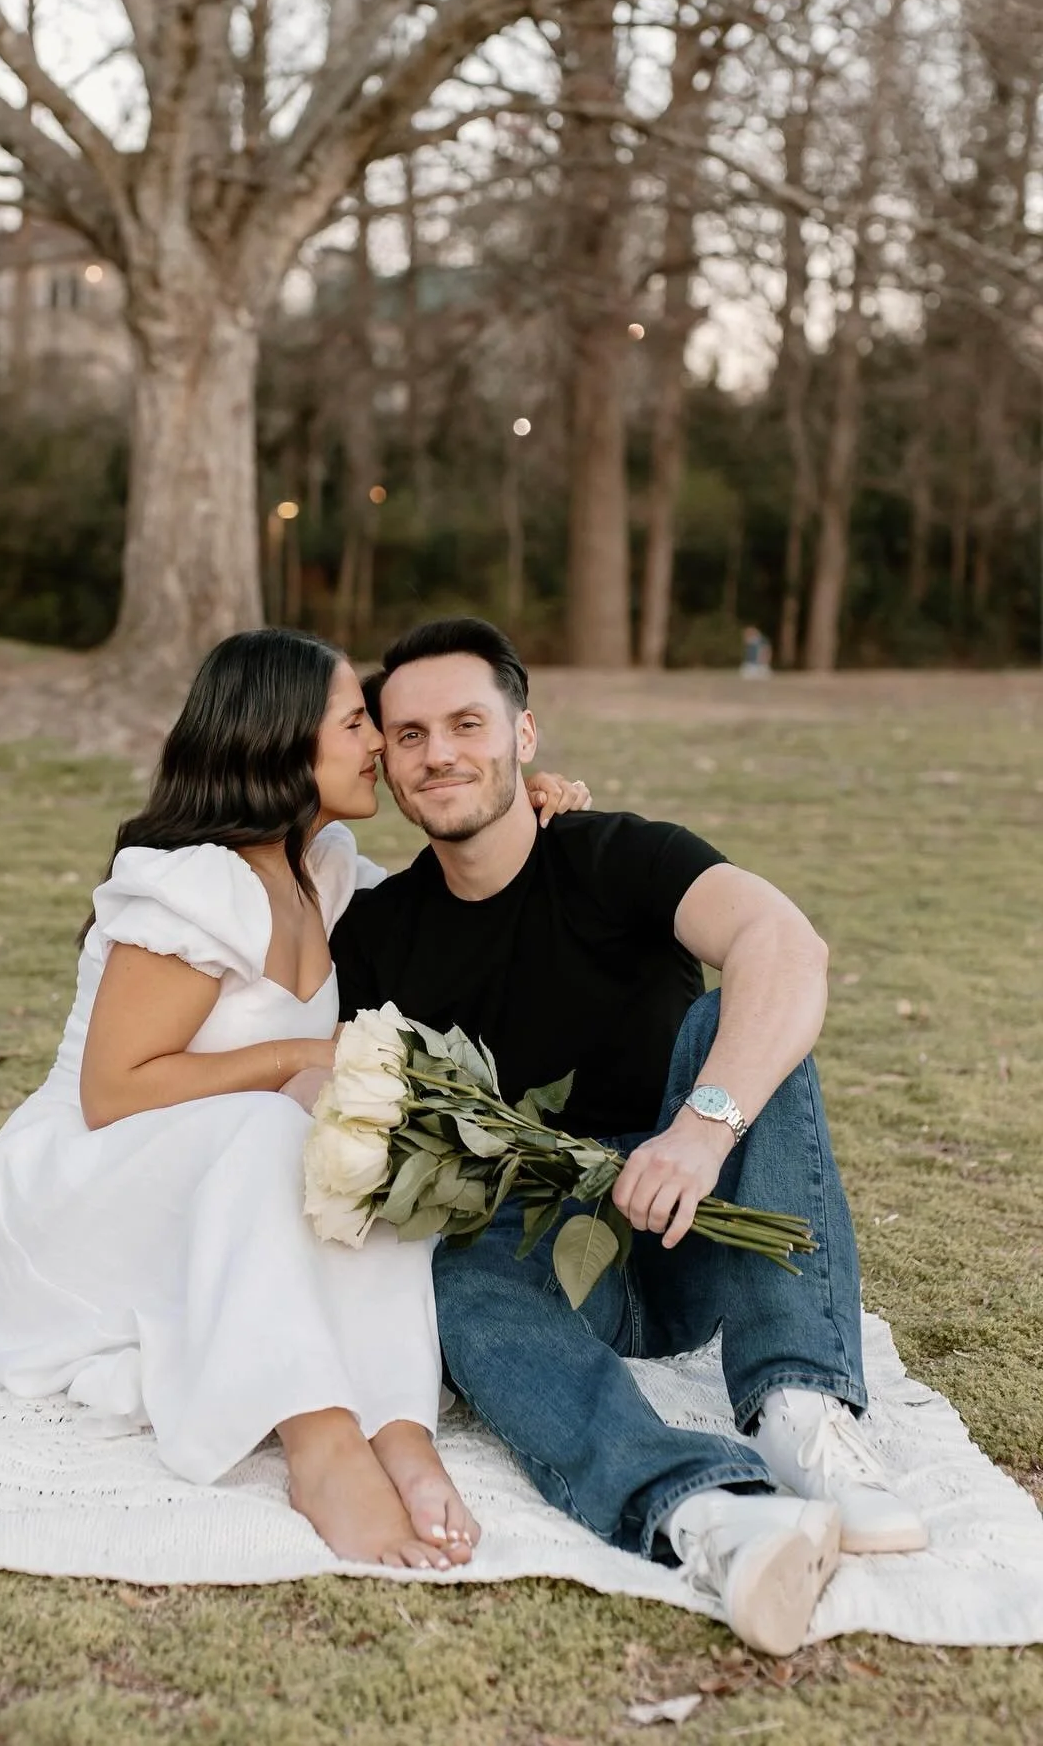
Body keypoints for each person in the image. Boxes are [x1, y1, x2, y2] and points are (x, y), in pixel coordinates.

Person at [329, 617, 928, 1657]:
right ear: (384, 760)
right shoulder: (379, 935)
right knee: (454, 1267)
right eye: (411, 733)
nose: (441, 753)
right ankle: (707, 1512)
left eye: (468, 722)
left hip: (701, 1224)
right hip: (555, 1260)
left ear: (525, 735)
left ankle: (799, 1406)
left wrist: (698, 1132)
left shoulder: (615, 854)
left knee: (734, 1030)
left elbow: (785, 940)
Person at [0, 628, 587, 1572]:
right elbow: (114, 1091)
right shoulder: (195, 884)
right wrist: (302, 1052)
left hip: (217, 1175)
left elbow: (442, 900)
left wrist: (530, 813)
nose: (379, 741)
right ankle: (321, 1440)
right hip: (88, 1181)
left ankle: (400, 1426)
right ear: (284, 743)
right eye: (356, 722)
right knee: (283, 1120)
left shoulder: (320, 867)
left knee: (370, 1130)